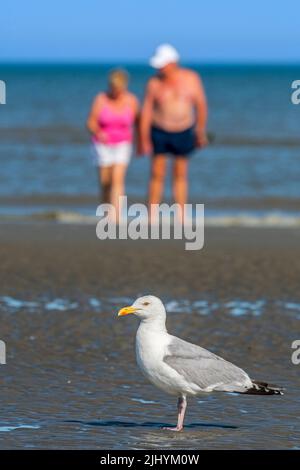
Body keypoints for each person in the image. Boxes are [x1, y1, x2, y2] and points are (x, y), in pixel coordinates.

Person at [139, 44, 208, 221]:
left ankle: (181, 213)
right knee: (157, 172)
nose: (159, 68)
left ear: (172, 63)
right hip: (159, 130)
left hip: (184, 130)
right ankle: (152, 213)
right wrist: (143, 138)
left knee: (180, 172)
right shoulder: (154, 83)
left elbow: (200, 105)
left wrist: (200, 131)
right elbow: (146, 111)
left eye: (162, 64)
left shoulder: (191, 78)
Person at [87, 69, 139, 220]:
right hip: (102, 144)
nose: (116, 91)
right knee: (105, 181)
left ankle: (115, 216)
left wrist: (142, 142)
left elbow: (140, 121)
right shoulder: (101, 99)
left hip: (123, 143)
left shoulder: (132, 101)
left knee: (117, 178)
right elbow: (91, 122)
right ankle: (105, 211)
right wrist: (98, 132)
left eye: (119, 88)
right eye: (114, 87)